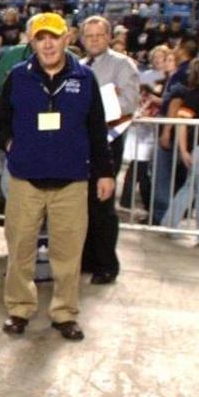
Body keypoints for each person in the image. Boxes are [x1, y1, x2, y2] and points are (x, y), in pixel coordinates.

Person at [0, 13, 115, 342]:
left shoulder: (85, 78)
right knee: (19, 250)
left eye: (54, 37)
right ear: (32, 41)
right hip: (25, 180)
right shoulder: (18, 76)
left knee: (68, 253)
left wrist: (104, 172)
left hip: (72, 181)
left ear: (67, 39)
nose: (48, 43)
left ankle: (65, 313)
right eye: (41, 37)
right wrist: (10, 143)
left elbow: (96, 131)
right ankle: (19, 309)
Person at [79, 16, 140, 284]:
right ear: (82, 39)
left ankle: (106, 264)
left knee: (103, 204)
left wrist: (95, 107)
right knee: (83, 204)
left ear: (108, 37)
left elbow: (128, 102)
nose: (93, 40)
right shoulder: (78, 66)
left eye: (99, 35)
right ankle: (87, 259)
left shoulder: (122, 64)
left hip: (107, 142)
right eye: (89, 35)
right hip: (81, 143)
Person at [160, 52, 199, 248]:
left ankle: (169, 224)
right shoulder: (197, 94)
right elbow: (182, 123)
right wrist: (184, 150)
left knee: (190, 189)